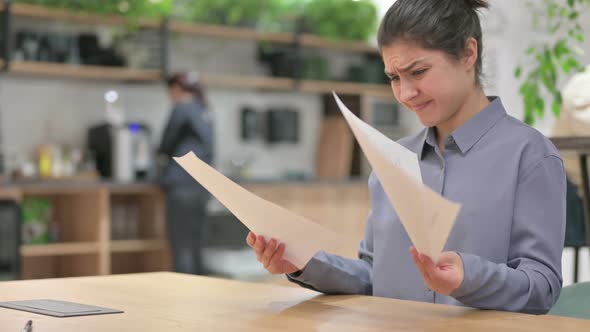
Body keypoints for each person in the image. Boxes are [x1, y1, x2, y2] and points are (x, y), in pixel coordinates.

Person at [247, 0, 566, 314]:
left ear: (469, 53)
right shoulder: (393, 160)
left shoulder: (530, 156)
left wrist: (469, 277)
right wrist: (304, 263)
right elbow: (374, 275)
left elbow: (542, 288)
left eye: (418, 71)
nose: (405, 93)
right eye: (394, 77)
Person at [158, 71, 214, 275]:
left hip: (181, 184)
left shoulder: (182, 108)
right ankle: (201, 297)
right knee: (196, 244)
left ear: (177, 89)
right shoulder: (205, 110)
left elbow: (166, 144)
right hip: (202, 185)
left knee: (181, 245)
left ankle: (183, 297)